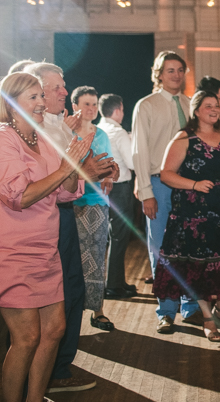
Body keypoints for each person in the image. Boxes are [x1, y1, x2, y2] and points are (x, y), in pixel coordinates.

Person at [0, 72, 91, 402]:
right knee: (25, 338)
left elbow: (65, 194)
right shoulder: (3, 139)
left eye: (42, 96)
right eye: (33, 97)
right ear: (11, 105)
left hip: (45, 250)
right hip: (13, 252)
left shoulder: (40, 137)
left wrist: (71, 165)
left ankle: (35, 398)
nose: (42, 103)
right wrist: (65, 168)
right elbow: (18, 196)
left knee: (54, 330)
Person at [25, 62, 114, 394]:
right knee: (53, 299)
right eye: (57, 87)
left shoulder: (58, 125)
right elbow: (40, 184)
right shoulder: (30, 130)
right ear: (37, 93)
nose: (66, 91)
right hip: (43, 219)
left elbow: (70, 178)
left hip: (60, 211)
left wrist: (95, 169)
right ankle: (53, 372)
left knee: (71, 291)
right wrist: (84, 170)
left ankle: (57, 367)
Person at [153, 91, 220, 342]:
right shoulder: (185, 138)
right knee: (201, 266)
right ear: (196, 111)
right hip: (196, 216)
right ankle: (208, 318)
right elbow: (166, 174)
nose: (214, 109)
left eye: (216, 106)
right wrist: (194, 185)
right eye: (208, 106)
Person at [132, 51, 202, 333]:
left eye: (179, 70)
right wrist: (146, 190)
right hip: (158, 185)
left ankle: (191, 305)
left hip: (188, 186)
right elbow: (139, 150)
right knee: (161, 249)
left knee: (190, 247)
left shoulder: (190, 105)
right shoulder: (146, 105)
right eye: (170, 70)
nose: (175, 74)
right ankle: (166, 309)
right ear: (159, 74)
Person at [70, 86, 115, 332]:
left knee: (97, 257)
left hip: (96, 203)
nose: (91, 109)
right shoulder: (65, 134)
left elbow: (108, 165)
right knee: (72, 258)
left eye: (94, 104)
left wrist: (110, 174)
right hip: (69, 203)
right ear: (74, 105)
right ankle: (71, 310)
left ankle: (98, 310)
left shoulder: (102, 134)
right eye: (86, 104)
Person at [97, 94, 138, 300]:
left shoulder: (98, 129)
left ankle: (117, 280)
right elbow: (131, 163)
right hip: (120, 187)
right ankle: (114, 285)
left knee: (112, 235)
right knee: (120, 236)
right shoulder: (119, 132)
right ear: (118, 110)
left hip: (102, 187)